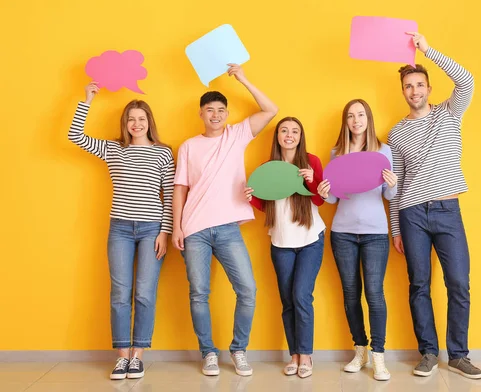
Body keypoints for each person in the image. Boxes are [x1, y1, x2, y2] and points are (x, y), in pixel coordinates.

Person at [387, 32, 481, 379]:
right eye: (408, 86)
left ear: (429, 87)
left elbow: (466, 79)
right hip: (412, 215)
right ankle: (428, 351)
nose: (414, 91)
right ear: (403, 92)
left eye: (419, 84)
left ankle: (458, 354)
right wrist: (396, 229)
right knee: (419, 284)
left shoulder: (450, 113)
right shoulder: (395, 134)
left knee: (458, 282)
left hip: (447, 210)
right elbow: (394, 188)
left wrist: (427, 50)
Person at [171, 64, 278, 376]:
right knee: (199, 293)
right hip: (195, 230)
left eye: (220, 110)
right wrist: (177, 226)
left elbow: (270, 109)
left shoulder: (237, 135)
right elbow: (180, 188)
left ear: (227, 114)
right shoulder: (189, 146)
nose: (215, 115)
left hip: (228, 229)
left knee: (247, 289)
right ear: (201, 114)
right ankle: (208, 353)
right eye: (209, 110)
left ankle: (238, 349)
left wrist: (243, 78)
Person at [68, 82, 174, 380]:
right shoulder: (113, 148)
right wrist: (86, 100)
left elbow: (169, 195)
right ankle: (122, 356)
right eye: (131, 119)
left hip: (152, 228)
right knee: (119, 293)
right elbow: (75, 136)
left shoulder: (164, 153)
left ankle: (138, 355)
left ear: (149, 122)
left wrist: (164, 233)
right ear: (125, 124)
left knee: (144, 293)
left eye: (141, 118)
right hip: (120, 230)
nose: (136, 123)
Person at [317, 99, 397, 381]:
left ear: (368, 118)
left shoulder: (384, 150)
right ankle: (360, 349)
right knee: (351, 293)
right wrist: (325, 190)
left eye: (360, 115)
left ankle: (378, 357)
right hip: (343, 233)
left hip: (375, 232)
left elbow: (388, 197)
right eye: (350, 116)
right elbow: (333, 198)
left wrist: (392, 184)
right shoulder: (337, 153)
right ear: (346, 122)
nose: (356, 120)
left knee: (374, 293)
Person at [246, 117, 325, 378]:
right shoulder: (267, 168)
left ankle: (306, 356)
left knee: (302, 296)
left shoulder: (311, 162)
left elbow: (320, 200)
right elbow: (263, 203)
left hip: (310, 240)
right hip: (280, 242)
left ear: (300, 137)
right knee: (288, 300)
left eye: (295, 131)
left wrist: (312, 180)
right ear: (277, 136)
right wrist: (250, 198)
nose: (289, 135)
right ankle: (294, 355)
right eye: (284, 131)